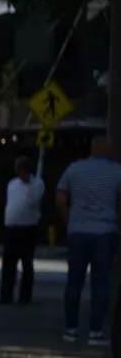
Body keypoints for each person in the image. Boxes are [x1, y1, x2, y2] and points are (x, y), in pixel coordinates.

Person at [56, 135, 121, 345]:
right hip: (105, 232)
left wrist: (69, 219)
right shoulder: (117, 171)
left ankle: (70, 329)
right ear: (107, 150)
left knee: (74, 281)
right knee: (100, 284)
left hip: (77, 231)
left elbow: (60, 197)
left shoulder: (74, 169)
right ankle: (95, 331)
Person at [0, 155, 44, 306]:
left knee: (26, 263)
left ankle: (25, 297)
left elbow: (30, 201)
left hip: (27, 228)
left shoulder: (37, 184)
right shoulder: (12, 184)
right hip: (11, 227)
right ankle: (6, 295)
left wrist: (29, 182)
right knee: (8, 264)